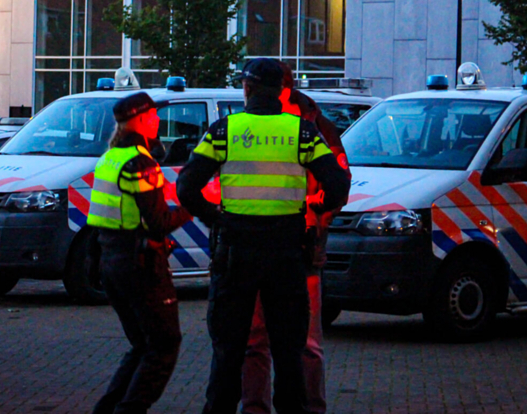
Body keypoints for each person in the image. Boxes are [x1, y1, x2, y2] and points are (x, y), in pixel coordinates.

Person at [176, 58, 351, 414]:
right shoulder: (302, 132)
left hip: (236, 254)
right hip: (286, 257)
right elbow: (338, 185)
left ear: (247, 88)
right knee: (289, 354)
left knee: (229, 353)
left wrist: (215, 217)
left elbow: (186, 186)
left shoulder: (224, 130)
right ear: (280, 91)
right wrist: (312, 211)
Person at [241, 65, 351, 414]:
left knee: (303, 342)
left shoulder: (315, 127)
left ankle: (308, 408)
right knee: (259, 340)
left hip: (297, 247)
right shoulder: (267, 124)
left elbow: (339, 184)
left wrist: (312, 213)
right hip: (275, 247)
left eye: (251, 86)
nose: (247, 93)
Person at [89, 92, 193, 414]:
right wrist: (193, 205)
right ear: (144, 120)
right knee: (163, 345)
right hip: (142, 266)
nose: (159, 121)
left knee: (142, 345)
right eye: (154, 116)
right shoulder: (139, 163)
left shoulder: (109, 158)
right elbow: (159, 222)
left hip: (113, 263)